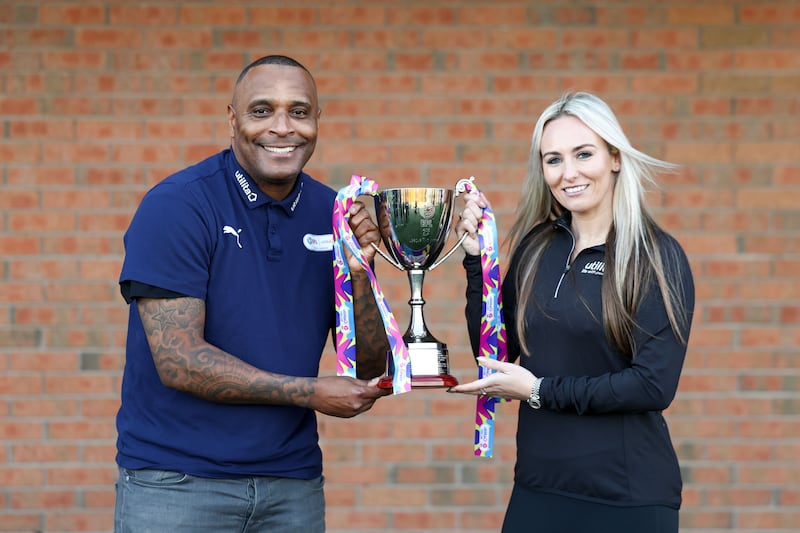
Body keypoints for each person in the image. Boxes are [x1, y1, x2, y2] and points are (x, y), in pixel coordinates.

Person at [114, 55, 391, 532]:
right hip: (177, 485)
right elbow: (178, 359)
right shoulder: (178, 205)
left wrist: (360, 274)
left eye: (299, 112)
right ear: (232, 119)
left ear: (317, 121)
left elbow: (369, 366)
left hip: (292, 486)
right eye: (262, 111)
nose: (282, 127)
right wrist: (310, 393)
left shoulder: (334, 212)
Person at [450, 92, 695, 533]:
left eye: (584, 154)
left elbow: (653, 385)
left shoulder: (655, 256)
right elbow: (497, 352)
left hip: (628, 498)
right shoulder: (538, 246)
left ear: (615, 158)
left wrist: (542, 390)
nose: (569, 173)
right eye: (554, 160)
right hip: (538, 490)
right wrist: (476, 263)